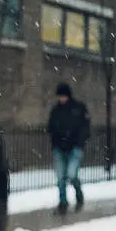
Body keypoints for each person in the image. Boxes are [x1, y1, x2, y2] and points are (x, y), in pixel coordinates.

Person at [47, 82, 91, 215]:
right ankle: (63, 203)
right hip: (59, 148)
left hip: (74, 147)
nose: (61, 99)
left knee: (72, 175)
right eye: (60, 96)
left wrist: (79, 142)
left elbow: (85, 127)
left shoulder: (79, 108)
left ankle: (78, 193)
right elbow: (50, 127)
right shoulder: (56, 110)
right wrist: (55, 141)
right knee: (61, 177)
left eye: (63, 96)